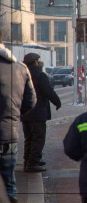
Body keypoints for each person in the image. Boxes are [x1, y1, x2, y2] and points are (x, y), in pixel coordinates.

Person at [0, 31, 36, 202]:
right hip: (9, 135)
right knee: (9, 183)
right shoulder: (21, 68)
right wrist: (13, 117)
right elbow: (30, 101)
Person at [22, 53, 62, 172]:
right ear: (35, 62)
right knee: (38, 138)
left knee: (28, 137)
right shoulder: (40, 75)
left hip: (25, 112)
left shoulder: (22, 75)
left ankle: (28, 160)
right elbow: (48, 91)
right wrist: (57, 102)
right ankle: (33, 163)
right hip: (38, 113)